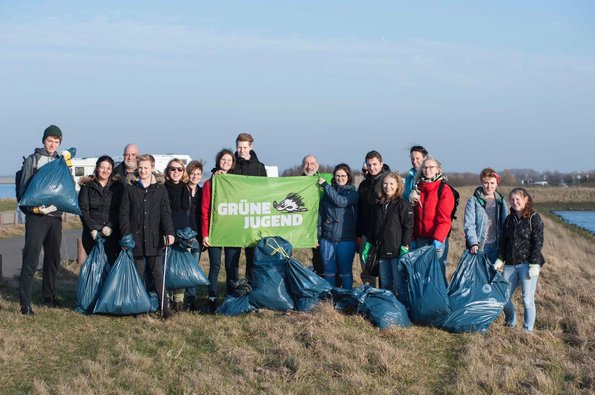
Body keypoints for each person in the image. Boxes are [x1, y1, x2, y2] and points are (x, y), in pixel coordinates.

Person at [17, 125, 67, 315]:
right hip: (36, 217)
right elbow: (24, 190)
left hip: (55, 217)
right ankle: (25, 303)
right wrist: (33, 209)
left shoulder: (61, 162)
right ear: (43, 140)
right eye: (50, 140)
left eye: (56, 141)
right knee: (31, 258)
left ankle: (49, 298)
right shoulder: (33, 160)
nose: (52, 144)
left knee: (53, 258)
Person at [119, 154, 175, 319]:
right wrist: (126, 234)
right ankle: (140, 308)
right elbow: (123, 214)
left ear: (152, 167)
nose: (143, 170)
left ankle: (164, 308)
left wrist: (169, 232)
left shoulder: (160, 190)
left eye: (146, 167)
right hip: (135, 239)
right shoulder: (130, 189)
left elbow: (166, 213)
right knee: (139, 274)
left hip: (154, 238)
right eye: (140, 168)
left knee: (157, 273)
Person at [495, 188, 545, 333]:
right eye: (512, 200)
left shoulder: (534, 218)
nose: (515, 202)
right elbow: (503, 241)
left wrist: (535, 264)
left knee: (527, 300)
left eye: (518, 199)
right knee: (503, 297)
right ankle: (511, 322)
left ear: (526, 200)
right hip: (510, 264)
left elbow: (538, 242)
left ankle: (527, 331)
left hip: (527, 264)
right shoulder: (509, 219)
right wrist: (500, 258)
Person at [364, 172, 414, 303]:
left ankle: (403, 310)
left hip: (397, 251)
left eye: (391, 183)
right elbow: (373, 227)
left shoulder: (403, 204)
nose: (388, 186)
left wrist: (405, 245)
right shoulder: (378, 204)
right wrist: (369, 244)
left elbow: (408, 227)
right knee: (385, 284)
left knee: (399, 285)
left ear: (398, 185)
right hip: (381, 251)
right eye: (385, 183)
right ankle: (388, 309)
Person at [202, 149, 241, 313]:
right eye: (223, 159)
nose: (226, 162)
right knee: (215, 266)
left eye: (229, 160)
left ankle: (232, 298)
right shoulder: (210, 183)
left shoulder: (237, 182)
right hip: (215, 230)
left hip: (232, 230)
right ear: (218, 161)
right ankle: (212, 298)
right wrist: (205, 233)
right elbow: (204, 209)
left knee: (232, 266)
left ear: (233, 163)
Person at [231, 132, 266, 286]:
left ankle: (251, 285)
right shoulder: (231, 165)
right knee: (233, 255)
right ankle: (232, 286)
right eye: (239, 147)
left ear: (251, 147)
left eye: (245, 147)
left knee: (252, 255)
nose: (242, 151)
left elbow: (265, 191)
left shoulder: (259, 167)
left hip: (252, 216)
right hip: (234, 216)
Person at [411, 156, 454, 279]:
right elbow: (413, 216)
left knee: (437, 274)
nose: (427, 170)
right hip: (420, 239)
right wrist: (413, 238)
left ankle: (441, 298)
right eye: (424, 167)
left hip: (437, 239)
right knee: (422, 273)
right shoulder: (417, 188)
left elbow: (444, 219)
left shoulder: (444, 189)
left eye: (431, 167)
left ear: (438, 169)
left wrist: (438, 240)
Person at [318, 164, 359, 289]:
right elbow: (321, 214)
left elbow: (340, 202)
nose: (340, 178)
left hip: (345, 239)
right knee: (329, 272)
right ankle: (330, 299)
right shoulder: (327, 193)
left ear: (348, 177)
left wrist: (325, 185)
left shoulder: (353, 193)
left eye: (343, 176)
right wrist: (318, 235)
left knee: (345, 273)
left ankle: (346, 298)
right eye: (337, 175)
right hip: (327, 238)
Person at [78, 155, 124, 264]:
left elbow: (120, 209)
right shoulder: (87, 186)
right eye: (102, 167)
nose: (105, 171)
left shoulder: (117, 187)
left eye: (108, 168)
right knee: (95, 265)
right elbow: (83, 210)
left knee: (111, 264)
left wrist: (110, 226)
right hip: (91, 234)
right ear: (97, 168)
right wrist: (92, 229)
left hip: (111, 234)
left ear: (112, 170)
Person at [163, 158, 194, 312]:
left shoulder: (185, 188)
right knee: (168, 268)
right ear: (168, 171)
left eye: (179, 169)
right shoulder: (162, 188)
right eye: (172, 169)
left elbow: (188, 213)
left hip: (183, 233)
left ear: (183, 172)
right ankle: (167, 300)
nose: (176, 172)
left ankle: (179, 302)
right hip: (167, 231)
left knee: (181, 269)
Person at [356, 150, 391, 287]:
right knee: (367, 268)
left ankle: (386, 299)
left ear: (381, 164)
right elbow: (360, 210)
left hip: (385, 234)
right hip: (366, 233)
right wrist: (358, 233)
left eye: (375, 164)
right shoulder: (363, 185)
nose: (372, 168)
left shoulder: (388, 182)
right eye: (369, 165)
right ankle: (370, 296)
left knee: (385, 270)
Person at [463, 168, 508, 263]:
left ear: (497, 184)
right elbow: (469, 224)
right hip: (479, 246)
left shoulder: (501, 201)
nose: (489, 186)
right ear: (482, 182)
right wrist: (473, 243)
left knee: (494, 276)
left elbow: (505, 224)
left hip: (496, 246)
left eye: (492, 183)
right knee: (479, 277)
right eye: (486, 183)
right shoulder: (473, 200)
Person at [184, 160, 204, 310]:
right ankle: (177, 299)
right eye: (193, 173)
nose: (195, 176)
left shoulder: (202, 192)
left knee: (193, 268)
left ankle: (191, 299)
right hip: (183, 235)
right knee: (182, 267)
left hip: (197, 234)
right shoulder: (181, 191)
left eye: (198, 174)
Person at [302, 154, 324, 275]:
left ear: (317, 166)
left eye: (312, 163)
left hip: (321, 225)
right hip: (304, 224)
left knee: (321, 255)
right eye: (306, 163)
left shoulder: (323, 181)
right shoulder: (296, 182)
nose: (309, 167)